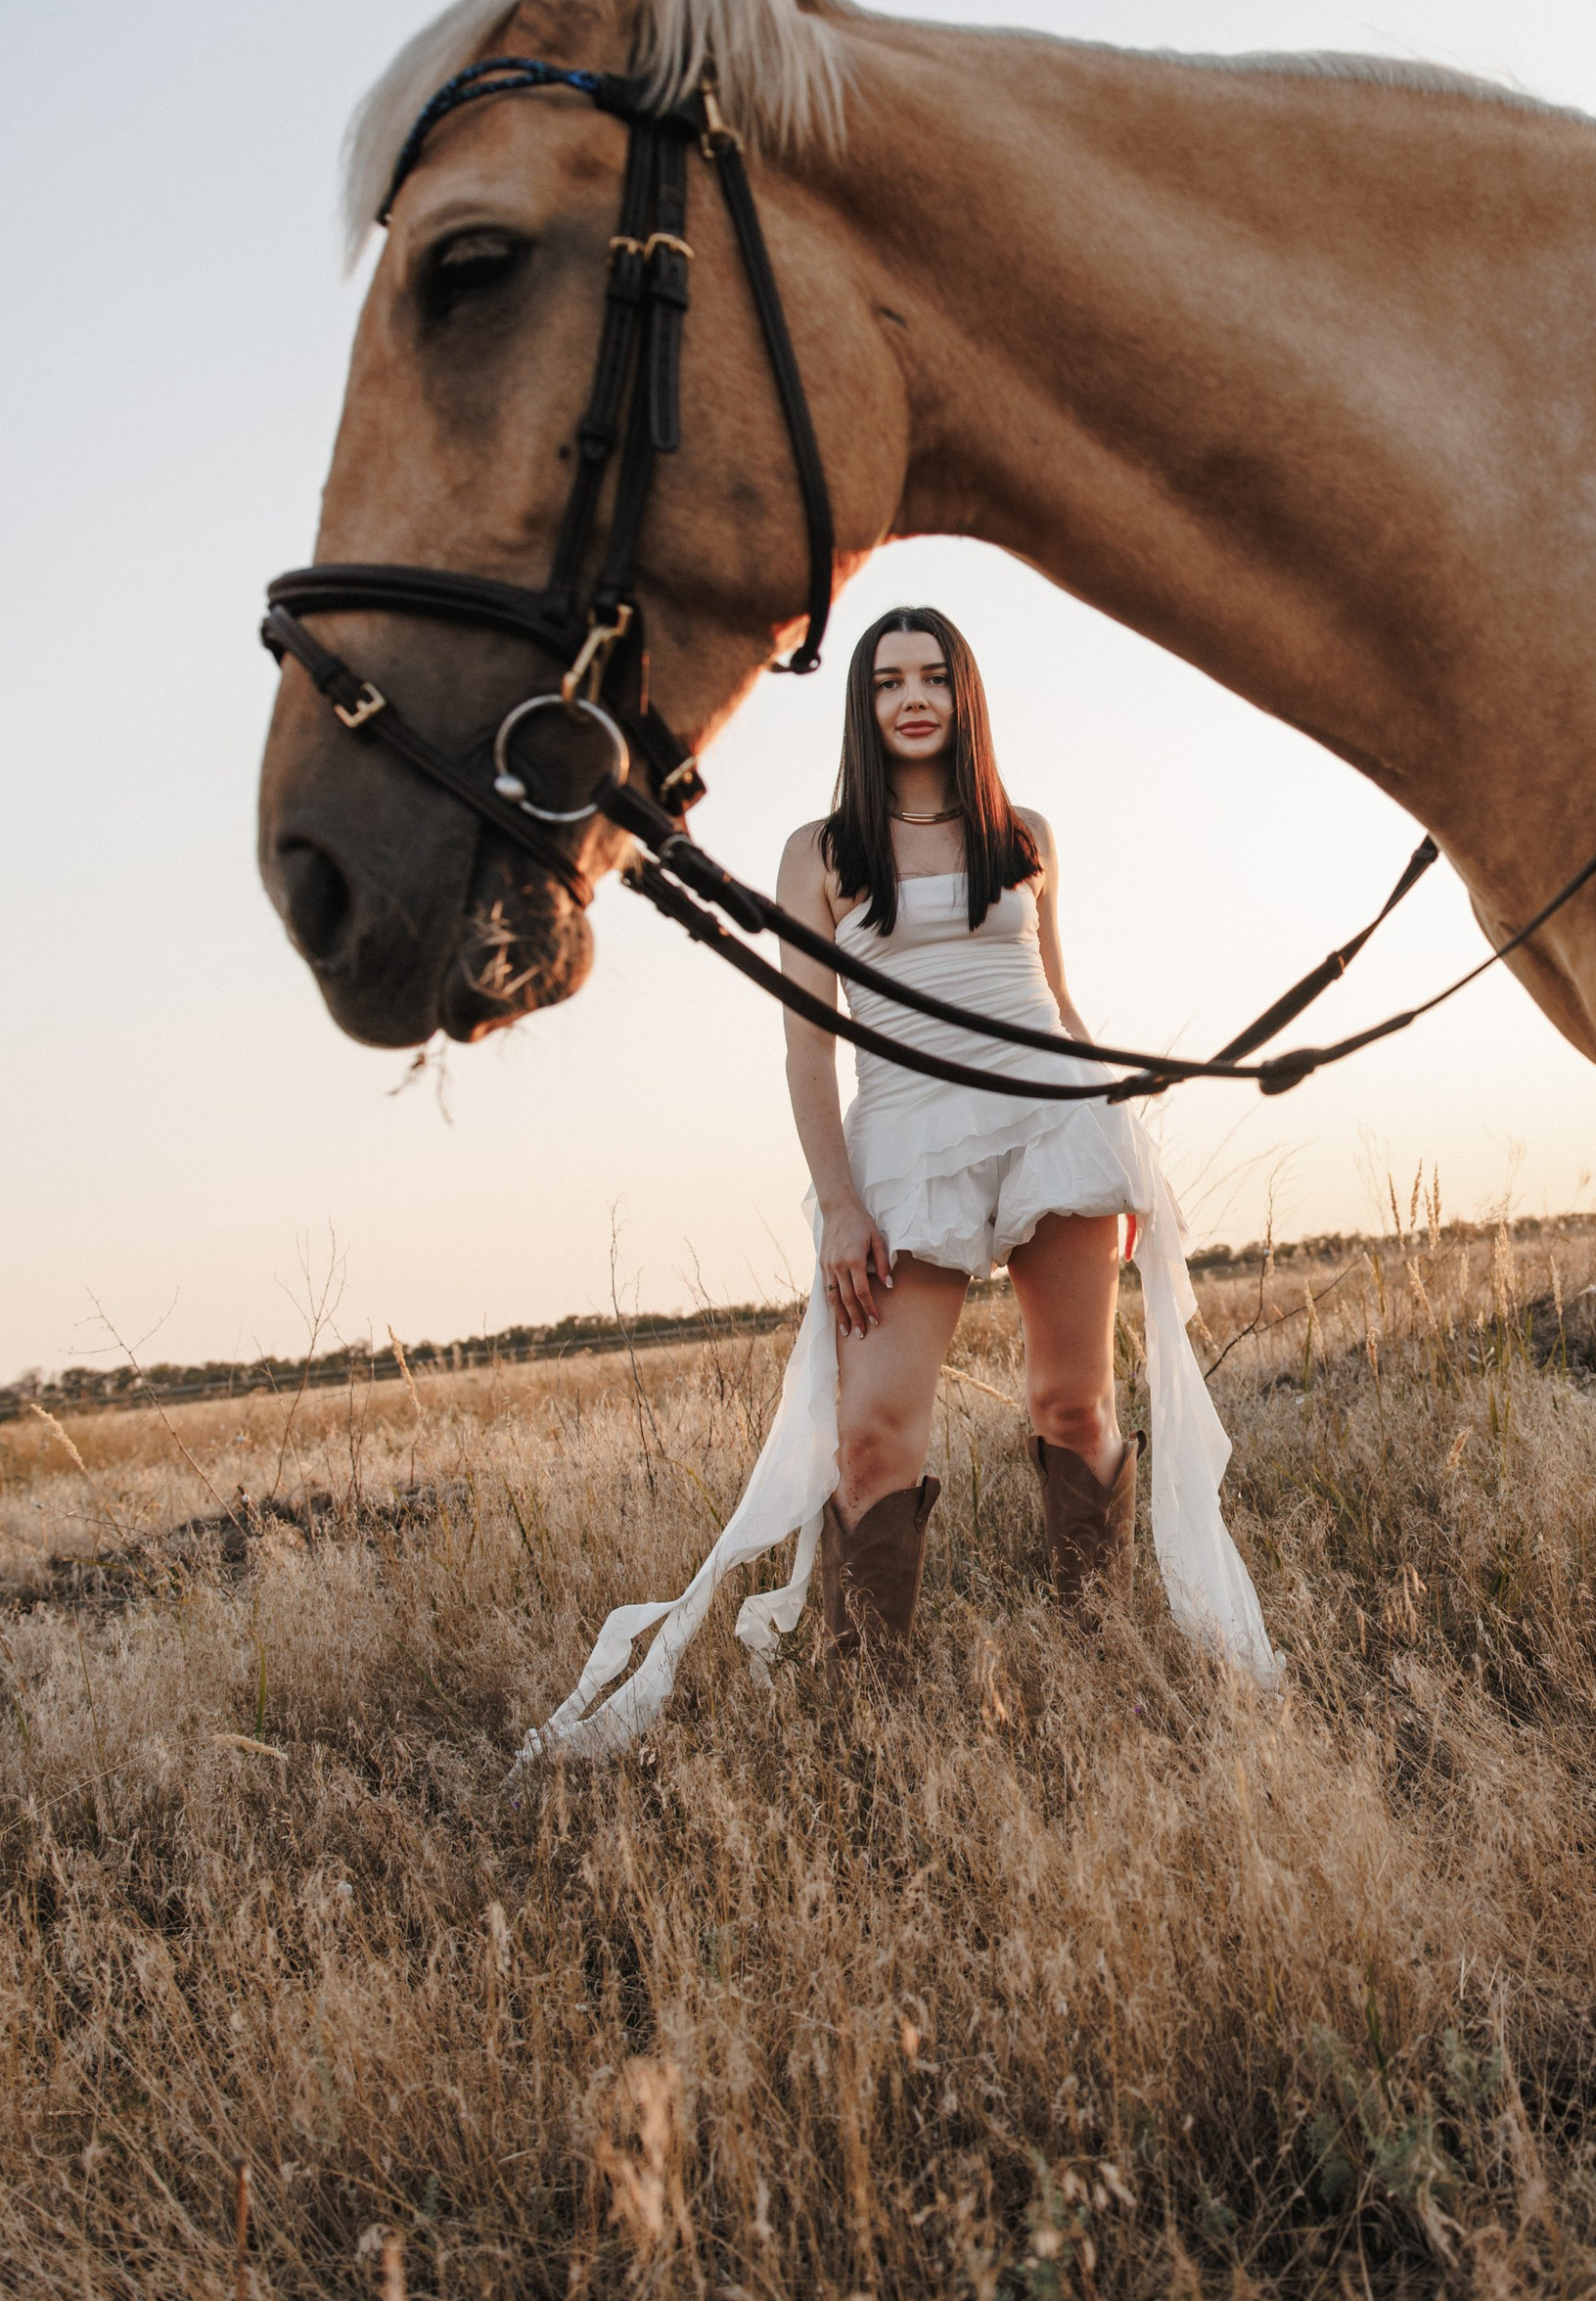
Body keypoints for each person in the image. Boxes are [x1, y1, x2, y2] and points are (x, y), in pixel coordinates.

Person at [513, 608, 1275, 1768]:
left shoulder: (1025, 833)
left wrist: (1122, 1143)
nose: (912, 699)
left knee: (1075, 1406)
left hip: (1053, 1120)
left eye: (932, 678)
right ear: (863, 706)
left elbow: (1058, 998)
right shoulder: (819, 853)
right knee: (873, 1438)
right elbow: (806, 1048)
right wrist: (840, 1204)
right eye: (887, 682)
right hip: (907, 1144)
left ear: (964, 696)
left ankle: (1098, 1670)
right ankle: (873, 1727)